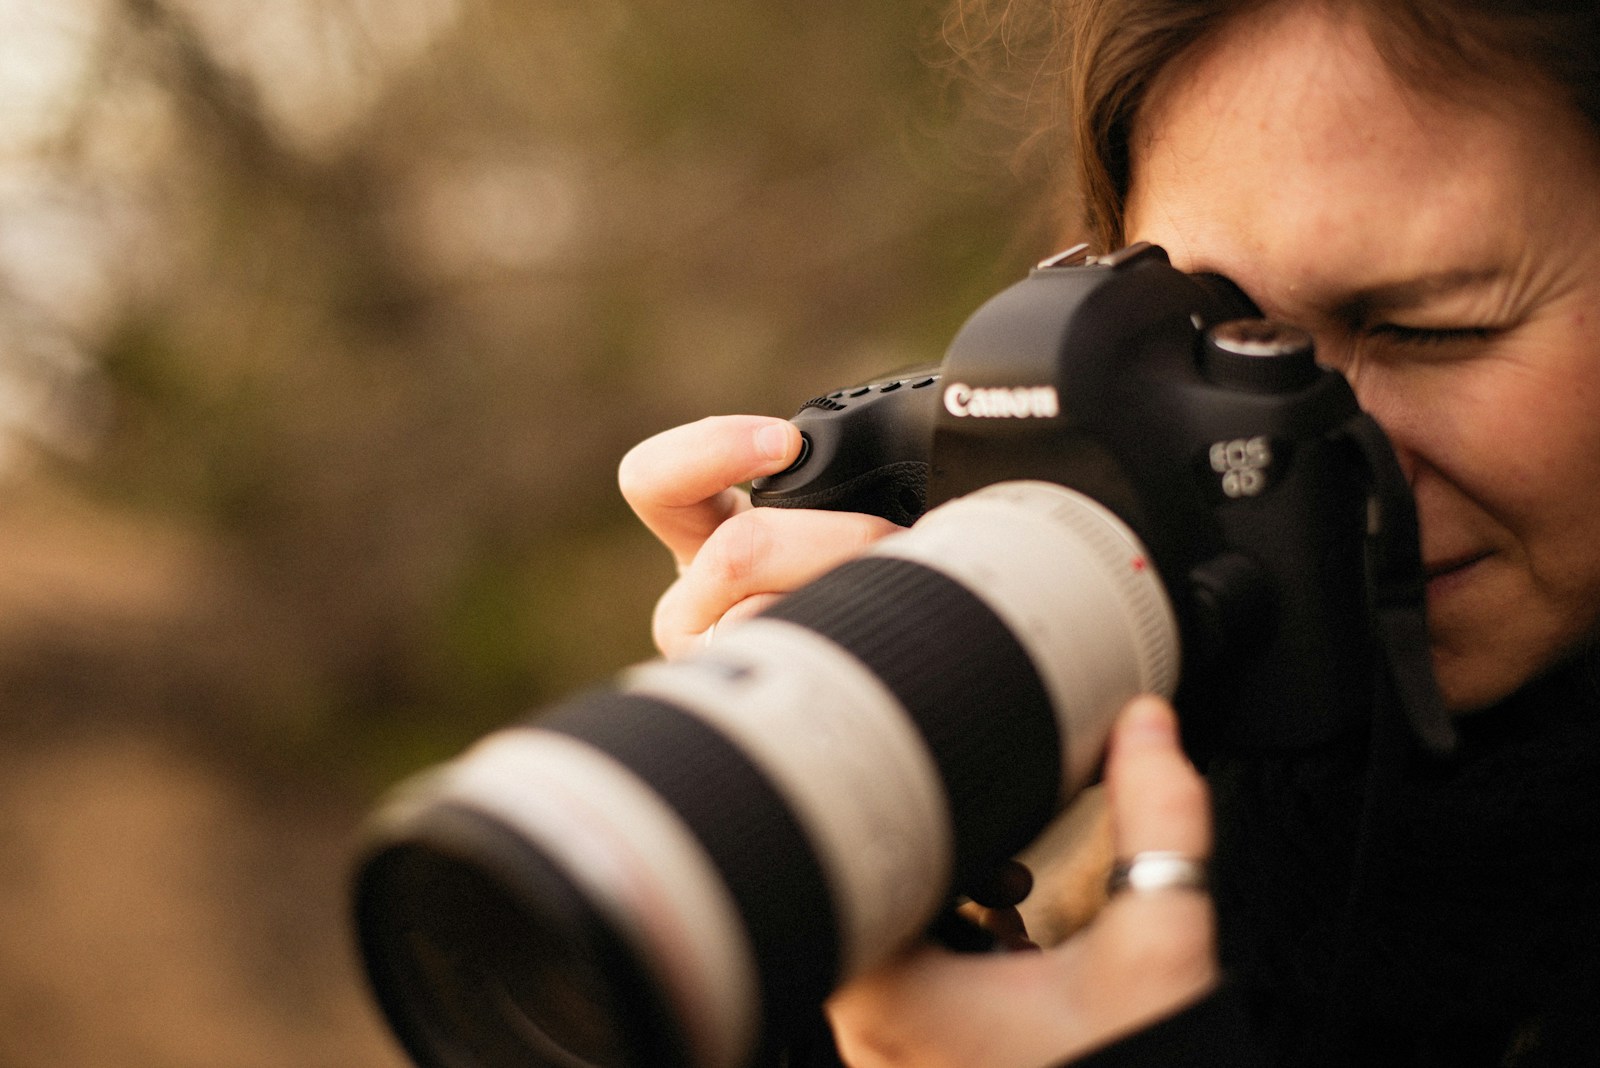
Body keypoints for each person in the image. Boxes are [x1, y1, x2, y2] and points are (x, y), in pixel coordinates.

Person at [617, 0, 1600, 1063]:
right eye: (1223, 343)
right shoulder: (1186, 814)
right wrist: (831, 830)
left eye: (1429, 329)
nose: (1312, 459)